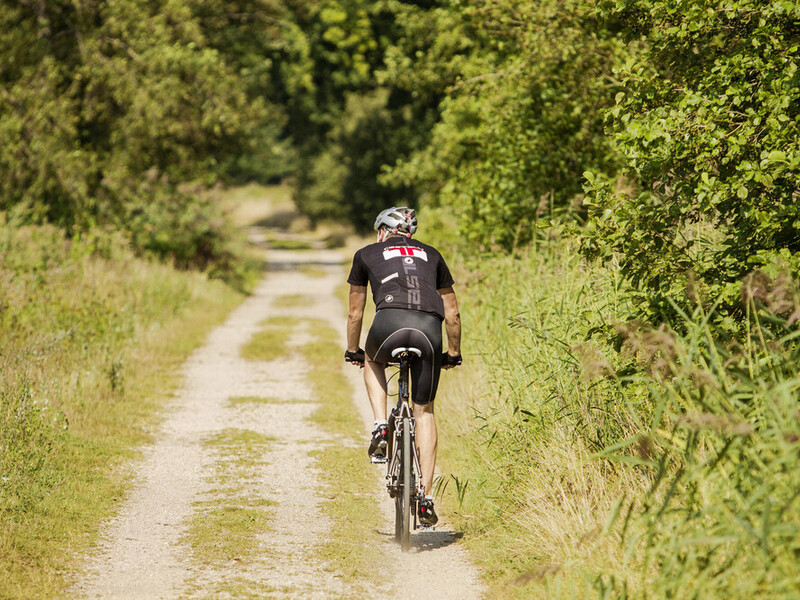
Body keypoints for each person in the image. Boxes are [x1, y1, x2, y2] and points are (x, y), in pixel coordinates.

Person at [344, 206, 462, 527]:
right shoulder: (432, 254)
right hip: (429, 331)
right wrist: (453, 352)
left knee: (372, 358)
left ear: (382, 230)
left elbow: (355, 314)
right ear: (410, 233)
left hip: (388, 324)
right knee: (424, 411)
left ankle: (381, 425)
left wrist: (353, 350)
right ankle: (425, 496)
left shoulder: (367, 253)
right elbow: (452, 313)